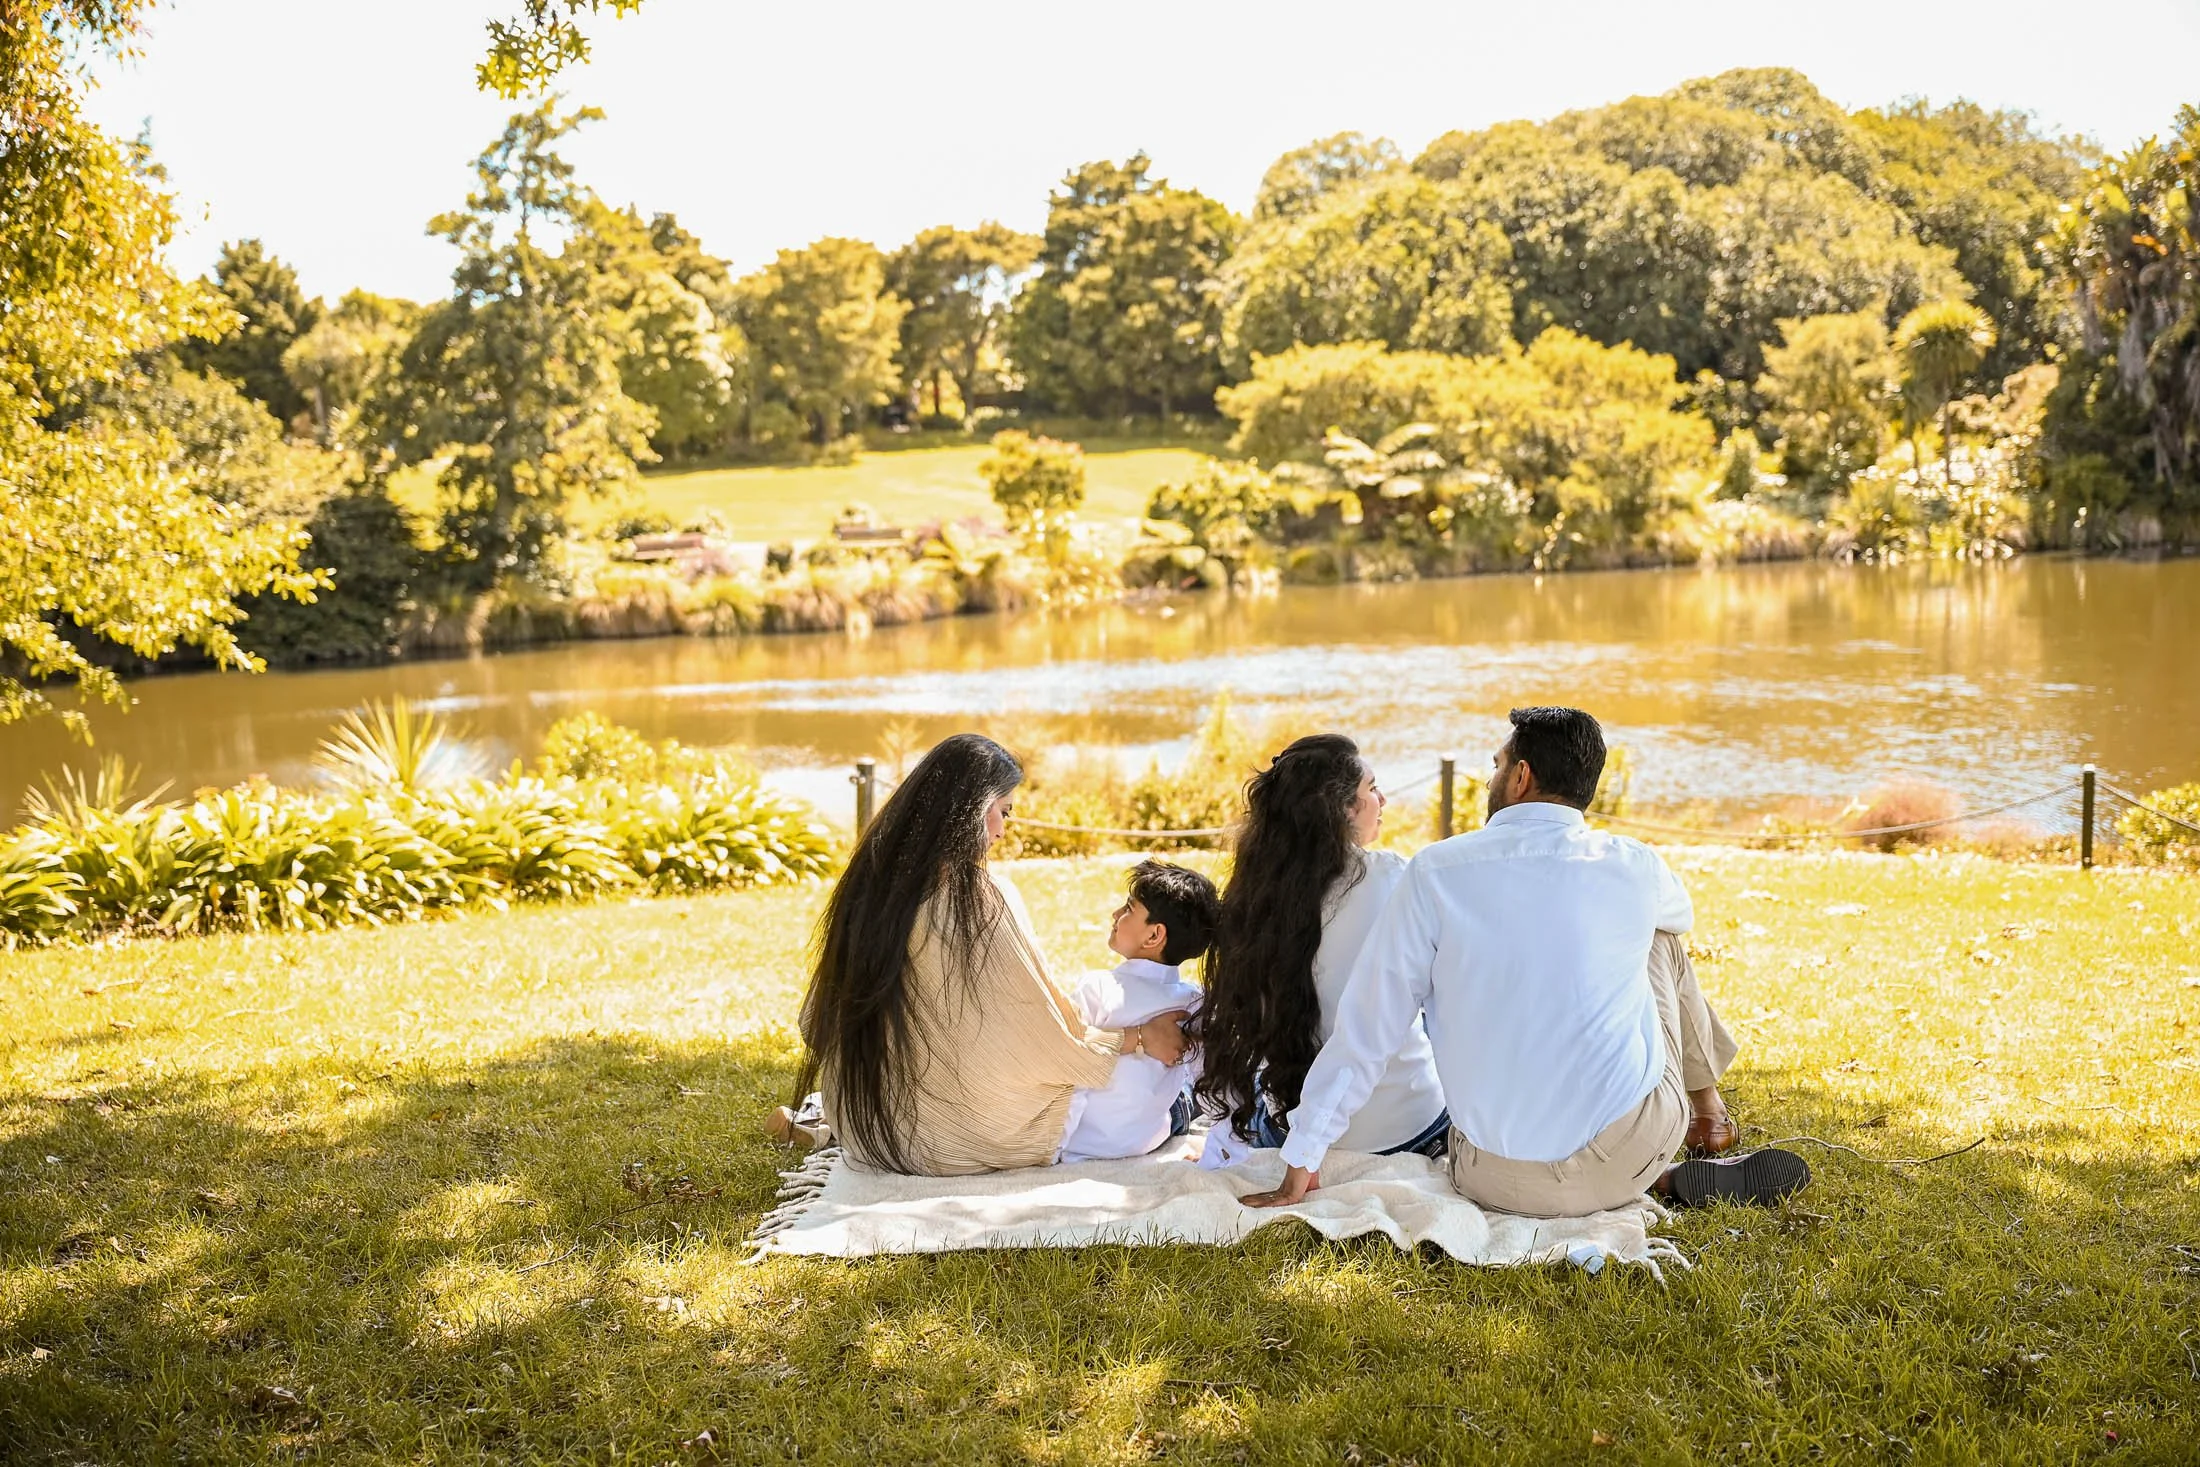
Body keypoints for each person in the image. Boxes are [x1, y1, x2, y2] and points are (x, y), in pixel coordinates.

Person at [1243, 708, 1808, 1215]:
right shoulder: (1634, 863)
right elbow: (1678, 916)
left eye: (1495, 765)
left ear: (1520, 777)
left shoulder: (1435, 872)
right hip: (1626, 1158)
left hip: (1490, 1178)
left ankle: (1680, 1142)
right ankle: (1706, 1115)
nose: (1492, 777)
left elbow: (1368, 1027)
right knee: (1662, 938)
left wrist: (1305, 1156)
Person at [782, 733, 1192, 1175]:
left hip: (864, 1125)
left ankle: (820, 1120)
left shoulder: (870, 882)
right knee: (1139, 1096)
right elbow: (1040, 1037)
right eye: (1003, 812)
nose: (1001, 830)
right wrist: (1136, 1039)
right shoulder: (979, 898)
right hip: (944, 1143)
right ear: (970, 811)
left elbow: (816, 1023)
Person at [1196, 733, 1450, 1168]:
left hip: (1291, 1127)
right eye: (1371, 789)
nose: (1383, 799)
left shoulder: (1256, 897)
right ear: (1342, 809)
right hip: (1408, 1130)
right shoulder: (1394, 878)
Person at [1058, 859, 1220, 1163]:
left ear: (1154, 936)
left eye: (1129, 909)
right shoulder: (1193, 1002)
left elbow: (1073, 1072)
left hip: (1085, 1141)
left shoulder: (1099, 988)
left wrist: (1060, 1148)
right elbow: (1210, 1081)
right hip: (1148, 1139)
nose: (1116, 914)